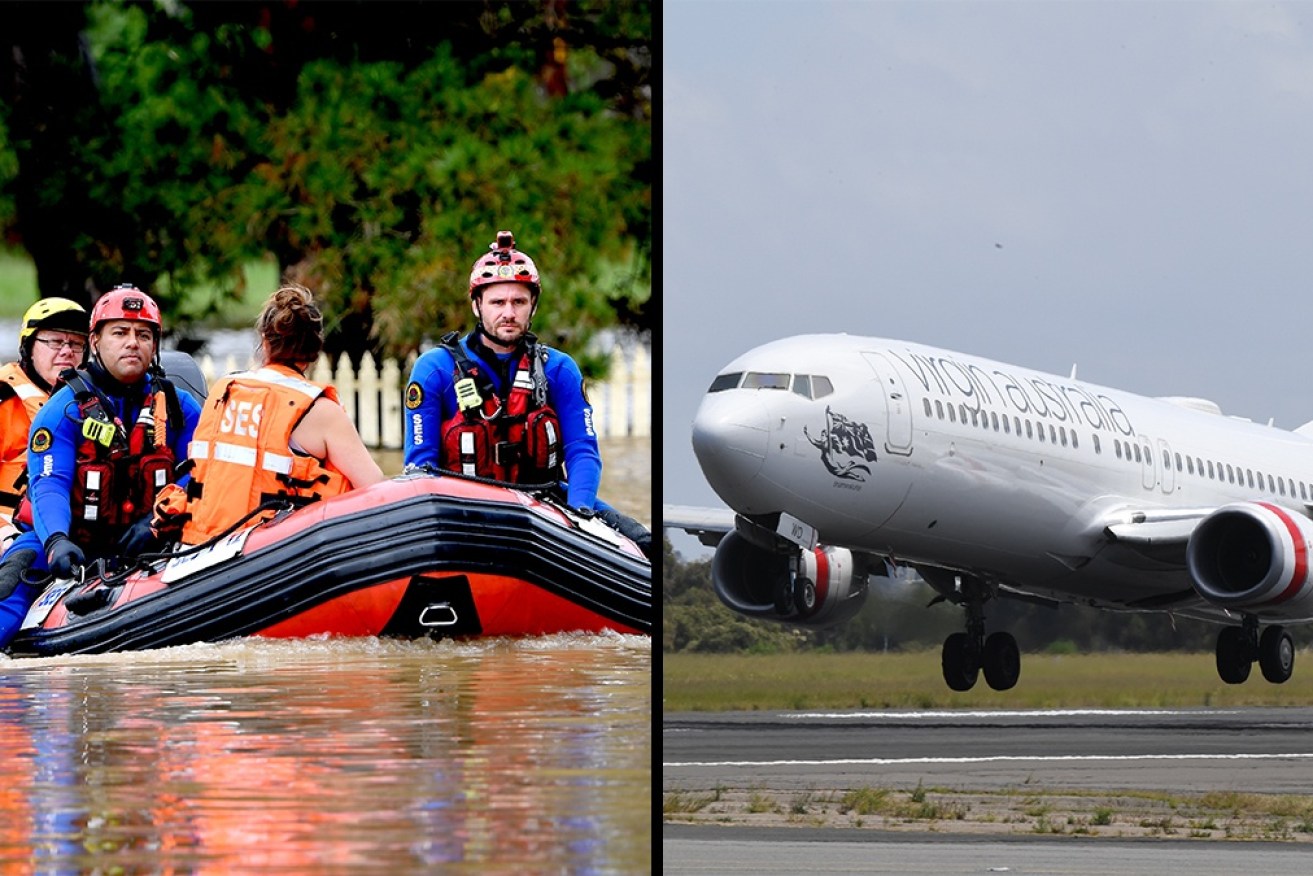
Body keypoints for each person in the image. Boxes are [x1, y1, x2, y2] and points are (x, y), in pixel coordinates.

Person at [403, 230, 651, 558]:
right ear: (477, 306)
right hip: (462, 507)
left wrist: (578, 514)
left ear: (532, 305)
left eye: (519, 301)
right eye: (498, 302)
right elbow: (421, 467)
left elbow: (582, 451)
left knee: (645, 545)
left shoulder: (558, 369)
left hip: (546, 503)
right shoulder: (434, 369)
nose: (509, 312)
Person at [0, 284, 203, 647]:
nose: (133, 343)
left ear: (155, 346)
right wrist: (57, 542)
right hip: (73, 541)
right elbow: (49, 484)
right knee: (10, 586)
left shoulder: (178, 406)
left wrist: (158, 520)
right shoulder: (62, 410)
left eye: (144, 334)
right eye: (120, 333)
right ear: (96, 341)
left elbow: (203, 471)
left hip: (151, 538)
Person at [166, 283, 386, 546]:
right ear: (315, 348)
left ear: (264, 342)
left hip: (199, 544)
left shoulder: (224, 391)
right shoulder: (321, 411)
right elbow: (376, 491)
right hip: (273, 553)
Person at [0, 298, 89, 551]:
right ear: (29, 347)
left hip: (73, 532)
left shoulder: (96, 403)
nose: (66, 351)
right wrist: (6, 537)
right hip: (12, 533)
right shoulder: (4, 402)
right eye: (54, 341)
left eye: (75, 343)